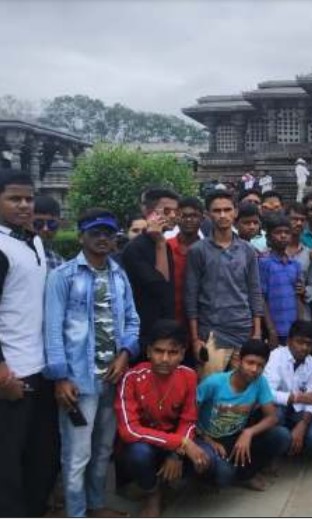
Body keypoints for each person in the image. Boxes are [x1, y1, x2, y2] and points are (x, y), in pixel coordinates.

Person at [44, 208, 141, 517]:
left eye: (108, 234)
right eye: (95, 233)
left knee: (102, 450)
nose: (102, 239)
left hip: (112, 379)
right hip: (78, 382)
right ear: (81, 236)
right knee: (77, 455)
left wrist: (125, 354)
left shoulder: (119, 275)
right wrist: (60, 377)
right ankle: (76, 513)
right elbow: (52, 330)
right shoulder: (63, 276)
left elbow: (133, 321)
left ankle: (97, 505)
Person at [0, 170, 59, 517]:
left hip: (41, 369)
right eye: (14, 198)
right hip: (12, 375)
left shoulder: (33, 241)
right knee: (8, 464)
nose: (24, 205)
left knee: (43, 456)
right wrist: (2, 374)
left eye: (28, 198)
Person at [115, 320, 210, 517]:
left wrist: (177, 454)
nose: (165, 359)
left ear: (182, 354)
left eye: (173, 352)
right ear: (149, 351)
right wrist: (181, 443)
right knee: (139, 454)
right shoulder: (131, 378)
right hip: (145, 444)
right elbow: (129, 430)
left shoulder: (189, 376)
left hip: (174, 443)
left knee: (212, 465)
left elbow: (188, 420)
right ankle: (152, 493)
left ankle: (174, 482)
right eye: (159, 351)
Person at [186, 190, 265, 379]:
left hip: (243, 330)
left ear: (235, 212)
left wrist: (257, 332)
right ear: (207, 214)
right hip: (212, 333)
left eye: (227, 210)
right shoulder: (198, 251)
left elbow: (255, 291)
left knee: (242, 389)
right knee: (210, 388)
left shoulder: (247, 250)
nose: (222, 215)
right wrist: (195, 339)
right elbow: (191, 295)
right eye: (217, 210)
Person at [196, 339, 282, 491]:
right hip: (206, 437)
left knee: (280, 436)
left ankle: (246, 474)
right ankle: (205, 478)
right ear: (239, 361)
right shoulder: (214, 383)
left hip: (235, 436)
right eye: (250, 363)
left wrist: (248, 432)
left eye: (260, 365)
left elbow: (272, 417)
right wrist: (207, 440)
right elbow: (189, 415)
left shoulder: (260, 382)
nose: (254, 369)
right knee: (224, 474)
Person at [122, 187, 179, 347]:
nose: (173, 216)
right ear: (149, 213)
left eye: (175, 211)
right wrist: (160, 243)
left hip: (164, 328)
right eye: (166, 211)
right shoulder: (135, 248)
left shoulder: (164, 245)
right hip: (143, 331)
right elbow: (160, 287)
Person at [262, 322, 312, 461]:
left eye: (309, 344)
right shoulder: (275, 356)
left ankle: (294, 446)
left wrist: (303, 424)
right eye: (300, 342)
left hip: (299, 413)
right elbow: (266, 393)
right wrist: (297, 398)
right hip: (280, 409)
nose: (304, 347)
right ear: (289, 341)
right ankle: (274, 454)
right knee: (276, 414)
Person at [259, 215, 303, 346]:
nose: (283, 236)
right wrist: (271, 330)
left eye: (286, 232)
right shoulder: (264, 263)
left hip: (293, 329)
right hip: (274, 330)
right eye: (278, 232)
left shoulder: (295, 264)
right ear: (268, 237)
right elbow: (261, 298)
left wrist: (300, 326)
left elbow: (298, 297)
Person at [167, 197, 203, 330]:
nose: (188, 220)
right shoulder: (165, 247)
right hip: (171, 318)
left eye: (193, 216)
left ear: (202, 218)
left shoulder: (209, 250)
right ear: (177, 217)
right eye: (184, 216)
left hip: (202, 319)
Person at [284, 203, 312, 324]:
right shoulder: (271, 252)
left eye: (302, 220)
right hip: (278, 314)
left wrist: (305, 290)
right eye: (294, 219)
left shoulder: (308, 253)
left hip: (303, 315)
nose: (299, 223)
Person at [33, 195, 64, 270]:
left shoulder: (59, 262)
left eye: (51, 224)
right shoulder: (13, 256)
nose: (45, 229)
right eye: (38, 223)